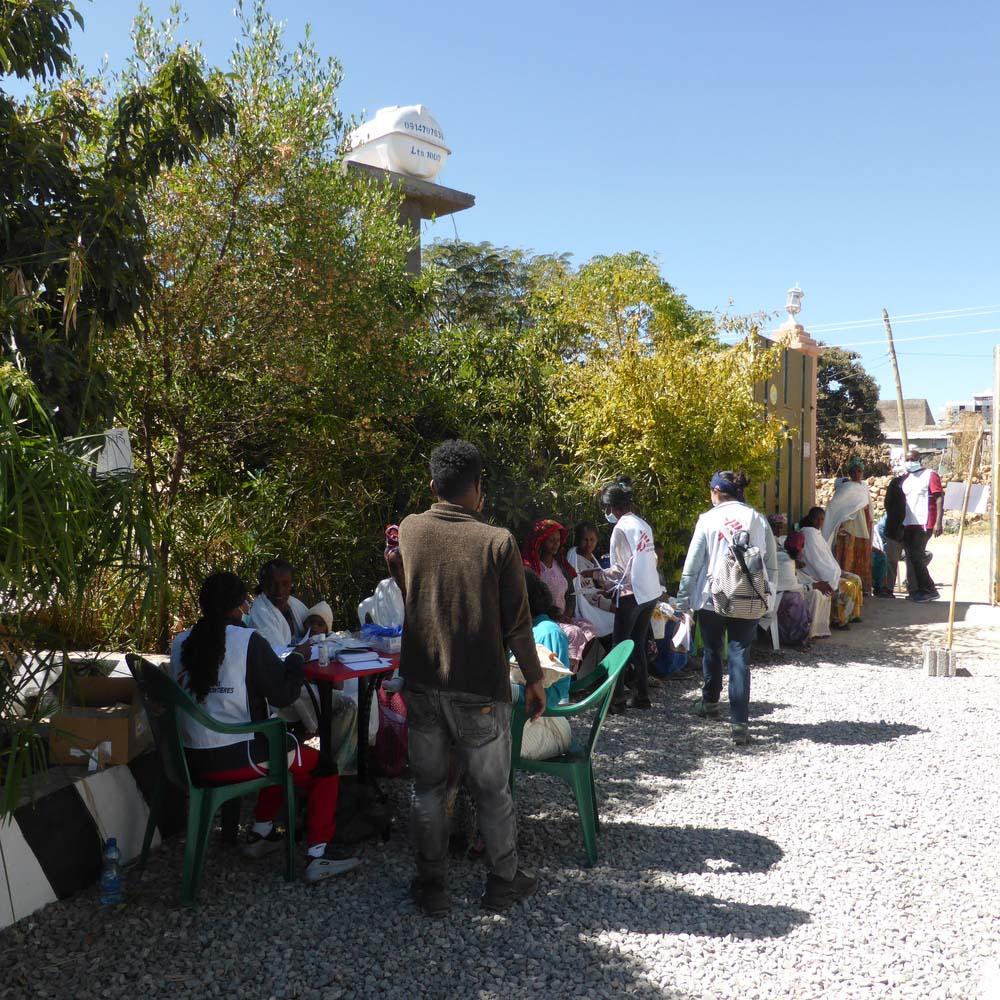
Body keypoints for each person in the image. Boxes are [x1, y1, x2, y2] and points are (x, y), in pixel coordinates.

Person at [399, 440, 543, 917]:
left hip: (421, 684)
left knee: (427, 789)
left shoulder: (410, 531)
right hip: (480, 689)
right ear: (478, 488)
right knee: (492, 791)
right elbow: (517, 624)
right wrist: (536, 681)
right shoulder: (497, 541)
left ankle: (432, 885)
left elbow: (415, 587)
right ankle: (503, 881)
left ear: (432, 485)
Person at [169, 572, 359, 882]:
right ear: (242, 604)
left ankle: (261, 834)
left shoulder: (181, 642)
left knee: (279, 742)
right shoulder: (246, 641)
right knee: (323, 767)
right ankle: (318, 855)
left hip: (189, 757)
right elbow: (283, 693)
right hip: (236, 757)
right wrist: (297, 660)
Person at [675, 472, 776, 745]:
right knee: (740, 655)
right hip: (748, 597)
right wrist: (771, 595)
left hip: (712, 597)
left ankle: (710, 702)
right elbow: (769, 559)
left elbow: (692, 565)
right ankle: (740, 723)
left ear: (717, 491)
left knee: (712, 649)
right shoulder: (756, 518)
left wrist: (683, 601)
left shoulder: (708, 519)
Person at [248, 560, 358, 775]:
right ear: (262, 583)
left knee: (359, 689)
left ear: (291, 584)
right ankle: (335, 770)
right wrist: (301, 652)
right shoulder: (261, 612)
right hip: (283, 690)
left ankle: (356, 756)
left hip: (305, 677)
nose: (279, 590)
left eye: (285, 584)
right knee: (347, 706)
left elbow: (315, 629)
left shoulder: (294, 605)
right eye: (272, 584)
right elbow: (277, 658)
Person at [600, 477, 661, 712]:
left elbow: (619, 570)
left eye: (607, 508)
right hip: (650, 592)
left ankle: (615, 701)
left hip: (632, 594)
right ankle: (642, 697)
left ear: (612, 507)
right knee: (638, 645)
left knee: (619, 647)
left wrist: (598, 575)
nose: (607, 513)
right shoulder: (642, 524)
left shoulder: (620, 529)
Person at [521, 519, 600, 671]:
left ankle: (573, 671)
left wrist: (568, 614)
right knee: (574, 632)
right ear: (540, 541)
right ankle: (563, 675)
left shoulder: (560, 565)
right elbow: (531, 599)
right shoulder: (532, 568)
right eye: (551, 541)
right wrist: (553, 616)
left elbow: (570, 593)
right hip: (543, 619)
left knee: (589, 628)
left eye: (558, 540)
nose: (556, 544)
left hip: (562, 617)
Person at [514, 571, 573, 761]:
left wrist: (511, 692)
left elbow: (556, 695)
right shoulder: (519, 631)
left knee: (482, 742)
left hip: (547, 726)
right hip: (522, 719)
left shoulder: (547, 633)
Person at [798, 507, 863, 627]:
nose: (820, 522)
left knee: (856, 578)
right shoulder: (809, 534)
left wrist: (835, 570)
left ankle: (853, 614)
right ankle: (839, 620)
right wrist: (830, 574)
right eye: (818, 519)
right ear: (812, 519)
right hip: (818, 574)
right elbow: (815, 561)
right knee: (849, 586)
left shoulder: (816, 533)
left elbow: (825, 556)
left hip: (831, 570)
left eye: (822, 519)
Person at [824, 458, 874, 596]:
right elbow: (835, 507)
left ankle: (862, 589)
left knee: (862, 556)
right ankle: (846, 588)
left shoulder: (864, 487)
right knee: (846, 556)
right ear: (850, 473)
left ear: (862, 472)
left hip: (863, 526)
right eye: (854, 471)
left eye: (859, 470)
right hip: (848, 528)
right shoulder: (846, 487)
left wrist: (870, 523)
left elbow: (869, 506)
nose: (857, 473)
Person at [900, 448, 944, 601]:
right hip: (908, 524)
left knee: (917, 556)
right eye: (907, 460)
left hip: (924, 523)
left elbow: (938, 498)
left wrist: (938, 522)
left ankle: (930, 590)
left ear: (918, 460)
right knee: (911, 557)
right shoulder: (907, 478)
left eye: (912, 459)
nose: (909, 463)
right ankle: (918, 590)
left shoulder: (930, 475)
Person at [766, 513, 813, 648]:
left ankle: (791, 637)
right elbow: (791, 585)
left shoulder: (785, 556)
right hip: (773, 595)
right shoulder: (785, 559)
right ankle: (797, 639)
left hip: (772, 593)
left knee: (796, 597)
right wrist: (812, 586)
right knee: (795, 598)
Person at [565, 521, 616, 639]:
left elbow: (603, 584)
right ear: (578, 540)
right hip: (588, 608)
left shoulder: (592, 558)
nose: (589, 544)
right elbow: (585, 594)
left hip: (598, 602)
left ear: (597, 540)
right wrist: (609, 605)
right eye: (585, 540)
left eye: (592, 540)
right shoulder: (576, 561)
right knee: (617, 620)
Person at [783, 529, 832, 639]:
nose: (803, 550)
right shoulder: (785, 561)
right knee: (815, 593)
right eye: (802, 546)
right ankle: (808, 633)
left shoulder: (789, 558)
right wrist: (814, 586)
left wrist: (816, 584)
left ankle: (819, 630)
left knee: (823, 591)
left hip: (794, 588)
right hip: (785, 596)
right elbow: (792, 588)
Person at [878, 471, 907, 597]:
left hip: (911, 529)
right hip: (895, 529)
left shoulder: (918, 483)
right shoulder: (896, 484)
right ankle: (888, 588)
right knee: (891, 561)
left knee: (912, 560)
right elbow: (887, 504)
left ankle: (913, 588)